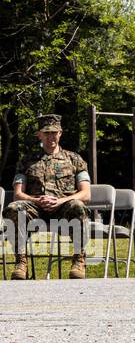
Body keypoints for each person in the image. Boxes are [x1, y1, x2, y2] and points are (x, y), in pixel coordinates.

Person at [4, 115, 91, 280]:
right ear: (39, 134)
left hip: (64, 208)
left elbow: (86, 193)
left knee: (78, 205)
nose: (51, 137)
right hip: (36, 208)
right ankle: (21, 262)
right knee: (13, 209)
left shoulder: (75, 159)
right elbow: (18, 194)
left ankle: (79, 260)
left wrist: (60, 201)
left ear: (60, 133)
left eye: (54, 132)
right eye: (47, 133)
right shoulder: (27, 161)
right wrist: (37, 200)